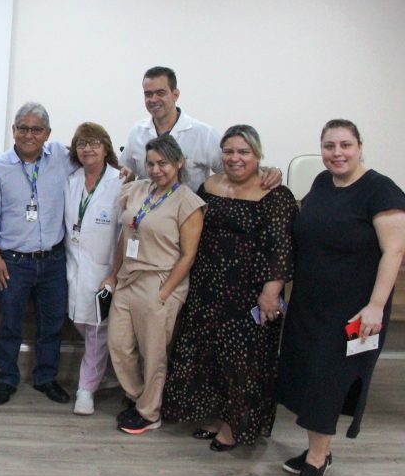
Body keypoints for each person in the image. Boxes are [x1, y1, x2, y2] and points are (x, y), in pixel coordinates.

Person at [275, 119, 405, 476]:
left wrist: (376, 307)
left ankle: (317, 459)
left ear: (360, 146)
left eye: (345, 145)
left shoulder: (380, 190)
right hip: (311, 303)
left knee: (327, 382)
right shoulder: (321, 183)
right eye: (329, 146)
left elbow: (394, 252)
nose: (337, 153)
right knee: (307, 376)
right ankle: (318, 449)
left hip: (353, 310)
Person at [161, 125, 297, 450]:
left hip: (248, 293)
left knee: (242, 362)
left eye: (243, 152)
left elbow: (281, 249)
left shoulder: (275, 194)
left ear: (257, 155)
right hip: (207, 287)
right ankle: (214, 415)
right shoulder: (209, 185)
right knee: (208, 356)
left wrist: (270, 292)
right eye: (229, 151)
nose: (235, 158)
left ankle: (234, 426)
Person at [105, 134, 205, 434]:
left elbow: (188, 255)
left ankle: (150, 413)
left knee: (154, 353)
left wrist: (164, 292)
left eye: (163, 163)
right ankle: (140, 396)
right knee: (119, 344)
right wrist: (114, 274)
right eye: (150, 164)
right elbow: (126, 235)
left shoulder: (188, 202)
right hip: (128, 278)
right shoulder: (137, 189)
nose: (156, 169)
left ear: (179, 163)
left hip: (159, 280)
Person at [0, 102, 76, 407]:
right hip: (13, 262)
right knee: (10, 324)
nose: (29, 135)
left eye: (36, 129)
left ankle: (46, 378)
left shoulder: (61, 157)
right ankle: (6, 380)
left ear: (47, 133)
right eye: (23, 128)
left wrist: (121, 169)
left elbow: (93, 158)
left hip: (53, 260)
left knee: (52, 324)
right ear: (13, 130)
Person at [120, 66, 280, 191]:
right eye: (148, 94)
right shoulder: (137, 132)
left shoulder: (203, 133)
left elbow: (233, 167)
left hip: (189, 215)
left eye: (160, 93)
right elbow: (124, 170)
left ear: (175, 94)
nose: (153, 99)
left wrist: (270, 171)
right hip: (146, 214)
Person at [63, 123, 124, 415]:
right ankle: (105, 374)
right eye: (82, 144)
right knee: (83, 324)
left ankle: (85, 390)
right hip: (72, 266)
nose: (88, 149)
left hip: (104, 269)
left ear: (106, 147)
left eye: (95, 143)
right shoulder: (70, 180)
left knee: (97, 331)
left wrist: (115, 273)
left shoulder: (120, 182)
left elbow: (125, 232)